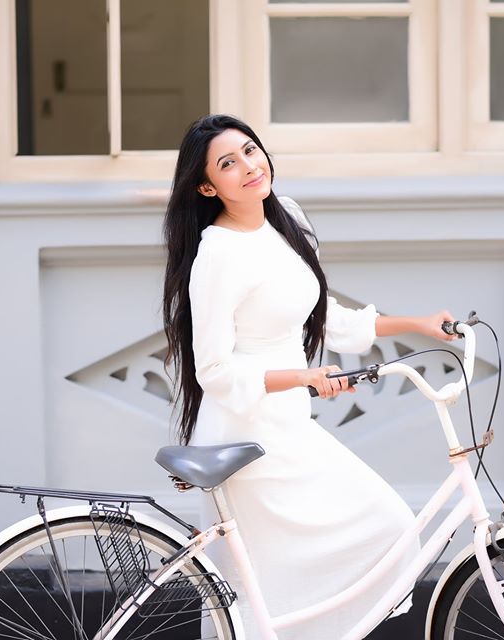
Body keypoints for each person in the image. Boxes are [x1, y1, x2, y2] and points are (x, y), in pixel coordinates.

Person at [161, 114, 458, 639]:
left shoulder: (287, 219)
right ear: (207, 187)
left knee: (384, 527)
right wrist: (303, 377)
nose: (248, 166)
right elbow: (214, 371)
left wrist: (418, 323)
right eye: (228, 164)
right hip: (245, 436)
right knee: (262, 587)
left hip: (287, 426)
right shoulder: (218, 253)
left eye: (250, 150)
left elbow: (328, 318)